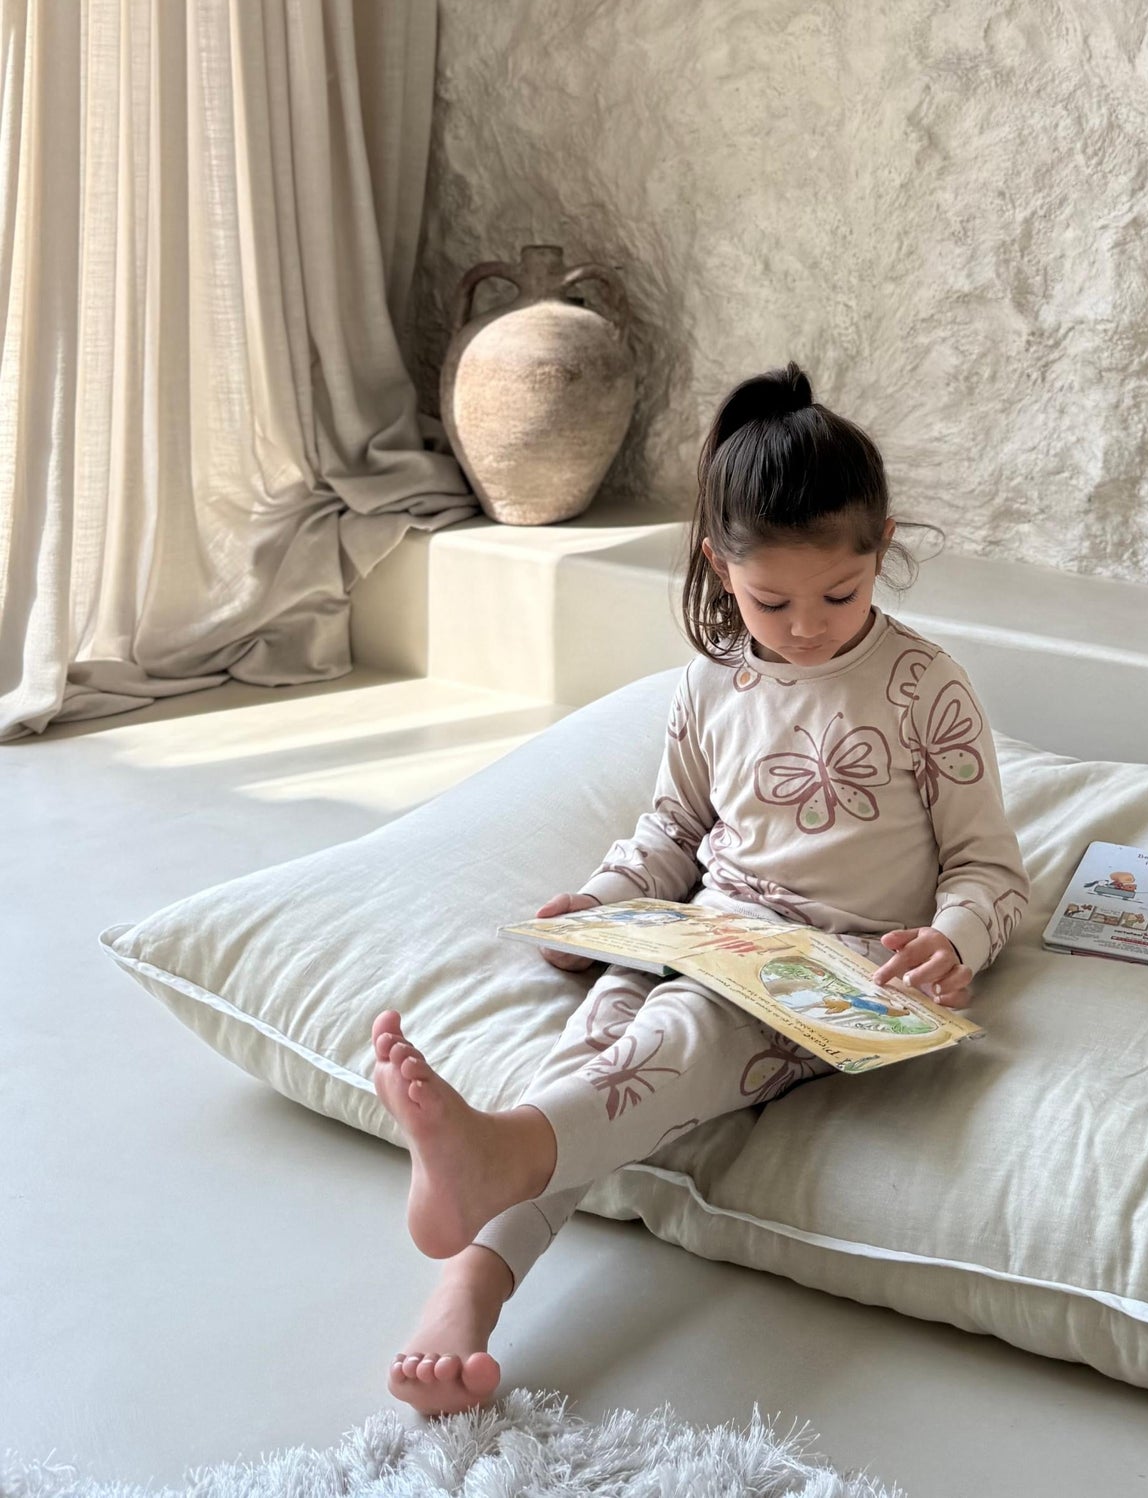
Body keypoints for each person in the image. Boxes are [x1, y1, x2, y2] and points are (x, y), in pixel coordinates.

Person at [372, 363, 1028, 1413]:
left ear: (881, 548)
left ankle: (497, 1154)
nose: (805, 625)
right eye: (770, 599)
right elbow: (673, 828)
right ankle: (466, 1291)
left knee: (671, 1045)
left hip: (833, 973)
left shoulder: (925, 688)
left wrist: (952, 940)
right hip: (704, 928)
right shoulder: (711, 682)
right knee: (600, 1048)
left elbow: (989, 867)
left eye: (838, 593)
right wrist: (601, 902)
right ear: (721, 565)